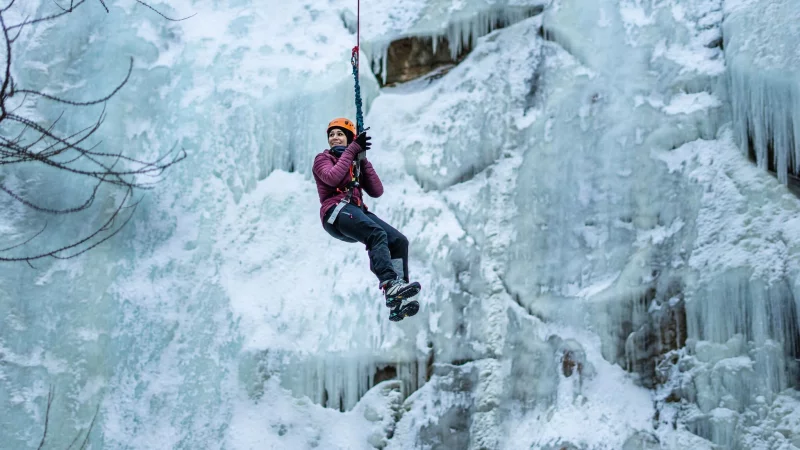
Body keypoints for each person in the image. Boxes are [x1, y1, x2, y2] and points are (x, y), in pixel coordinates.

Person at [312, 118, 421, 322]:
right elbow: (332, 178)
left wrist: (362, 160)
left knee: (398, 241)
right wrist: (353, 149)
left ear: (349, 137)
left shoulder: (354, 162)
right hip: (335, 211)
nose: (334, 138)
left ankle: (397, 298)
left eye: (340, 134)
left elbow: (377, 191)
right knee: (375, 233)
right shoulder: (322, 159)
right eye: (331, 135)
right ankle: (390, 284)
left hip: (355, 209)